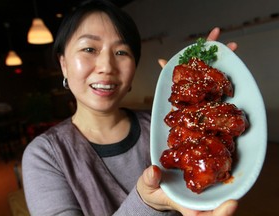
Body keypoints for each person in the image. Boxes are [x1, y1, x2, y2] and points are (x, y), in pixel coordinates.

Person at [22, 0, 238, 215]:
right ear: (64, 64)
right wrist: (146, 204)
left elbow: (211, 181)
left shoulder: (165, 126)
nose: (107, 66)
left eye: (121, 52)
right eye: (89, 49)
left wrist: (202, 97)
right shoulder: (44, 156)